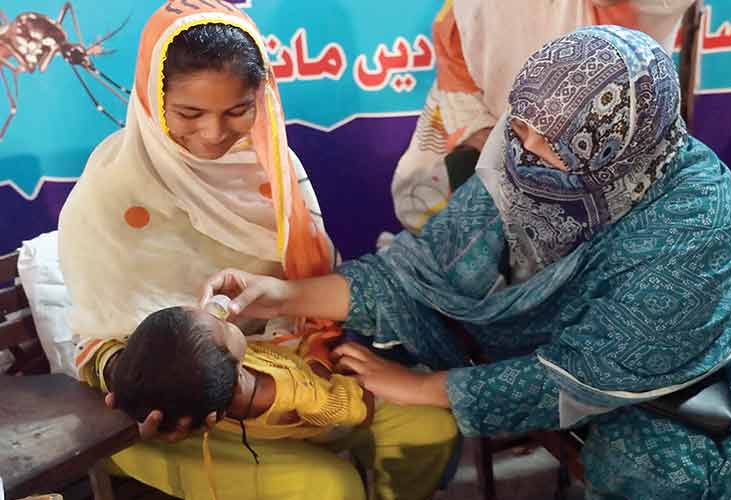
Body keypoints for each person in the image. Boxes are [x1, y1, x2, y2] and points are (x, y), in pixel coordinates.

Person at [203, 27, 731, 499]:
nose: (523, 147)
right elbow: (421, 271)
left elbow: (591, 370)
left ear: (618, 143)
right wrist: (278, 295)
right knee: (644, 472)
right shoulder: (523, 157)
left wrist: (427, 390)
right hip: (603, 367)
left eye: (551, 139)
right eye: (524, 121)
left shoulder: (692, 218)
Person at [58, 3, 457, 499]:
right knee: (328, 488)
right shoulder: (110, 195)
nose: (213, 133)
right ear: (150, 96)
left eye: (236, 110)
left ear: (261, 97)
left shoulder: (274, 167)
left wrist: (292, 324)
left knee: (429, 427)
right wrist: (191, 383)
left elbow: (314, 297)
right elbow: (108, 348)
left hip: (299, 369)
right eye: (189, 113)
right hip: (172, 416)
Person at [390, 0, 694, 235]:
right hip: (496, 160)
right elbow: (458, 80)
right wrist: (505, 164)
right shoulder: (464, 12)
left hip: (609, 181)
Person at [111, 306, 374, 440]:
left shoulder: (206, 390)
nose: (219, 310)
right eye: (222, 325)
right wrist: (320, 358)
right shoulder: (292, 390)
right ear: (237, 377)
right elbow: (353, 410)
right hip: (328, 426)